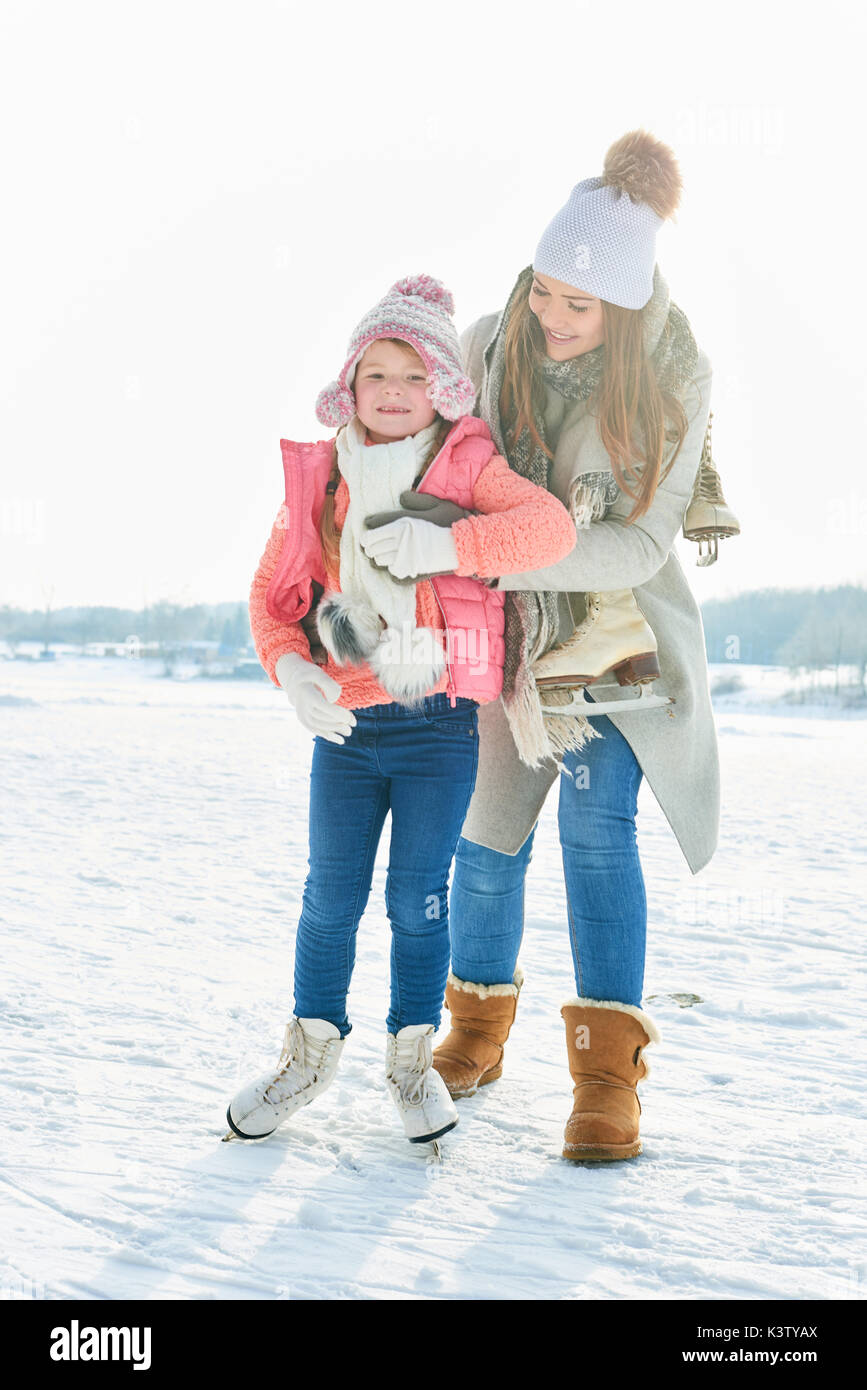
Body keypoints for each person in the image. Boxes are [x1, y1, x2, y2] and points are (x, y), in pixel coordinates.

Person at [379, 133, 720, 1163]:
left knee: (597, 828)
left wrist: (496, 554)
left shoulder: (670, 379)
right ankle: (475, 1034)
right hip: (498, 635)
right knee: (484, 840)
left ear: (622, 305)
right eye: (545, 292)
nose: (554, 317)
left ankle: (607, 1077)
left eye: (580, 305)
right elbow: (419, 447)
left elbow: (646, 538)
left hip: (619, 639)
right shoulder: (491, 344)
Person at [224, 274, 577, 1151]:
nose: (392, 391)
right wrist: (295, 675)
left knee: (420, 900)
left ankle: (414, 1066)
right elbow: (272, 599)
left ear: (444, 390)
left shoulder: (466, 464)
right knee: (328, 898)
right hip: (346, 730)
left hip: (436, 729)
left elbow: (551, 533)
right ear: (349, 383)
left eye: (413, 376)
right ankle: (307, 1056)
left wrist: (449, 541)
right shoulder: (323, 477)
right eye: (374, 372)